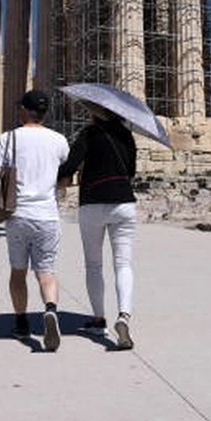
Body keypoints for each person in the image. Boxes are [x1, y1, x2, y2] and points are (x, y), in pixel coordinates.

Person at [0, 89, 69, 351]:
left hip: (18, 214)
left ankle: (21, 322)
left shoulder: (8, 138)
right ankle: (50, 310)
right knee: (46, 272)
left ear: (24, 110)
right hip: (47, 215)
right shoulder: (59, 140)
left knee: (18, 271)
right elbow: (66, 178)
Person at [57, 105, 138, 350]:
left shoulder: (89, 134)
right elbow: (132, 171)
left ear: (96, 112)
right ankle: (123, 316)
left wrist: (57, 175)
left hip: (92, 202)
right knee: (123, 264)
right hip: (124, 203)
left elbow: (70, 167)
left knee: (94, 265)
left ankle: (99, 319)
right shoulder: (127, 136)